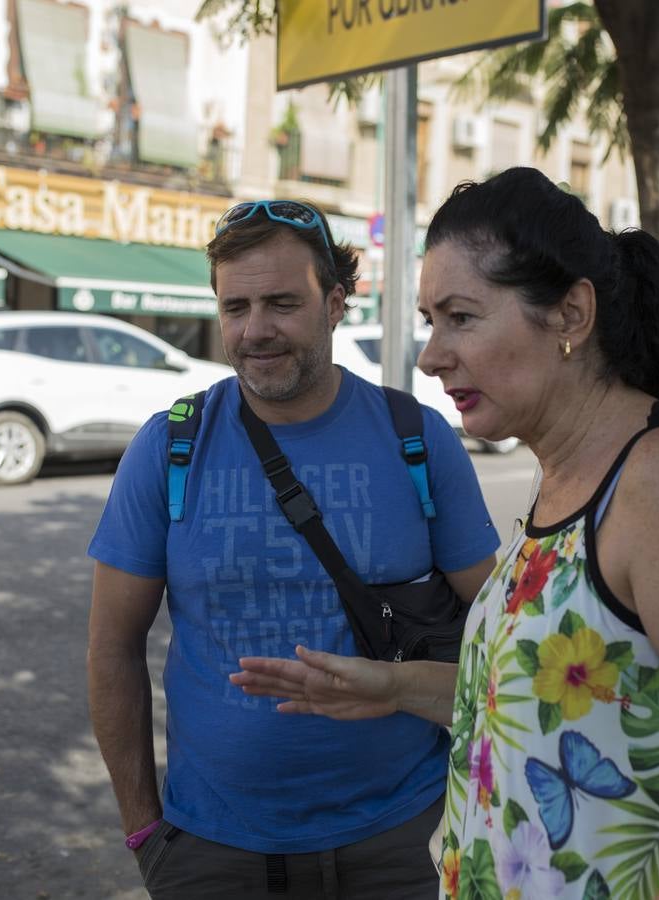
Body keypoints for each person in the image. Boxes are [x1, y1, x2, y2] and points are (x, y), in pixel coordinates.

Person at [232, 168, 659, 899]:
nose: (430, 355)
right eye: (429, 320)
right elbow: (549, 707)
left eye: (461, 317)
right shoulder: (571, 475)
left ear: (570, 314)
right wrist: (392, 686)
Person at [86, 198, 501, 900]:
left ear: (335, 302)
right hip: (211, 852)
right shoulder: (170, 446)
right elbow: (111, 650)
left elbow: (504, 639)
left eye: (281, 303)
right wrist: (143, 831)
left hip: (403, 840)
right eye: (234, 307)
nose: (255, 331)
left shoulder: (417, 439)